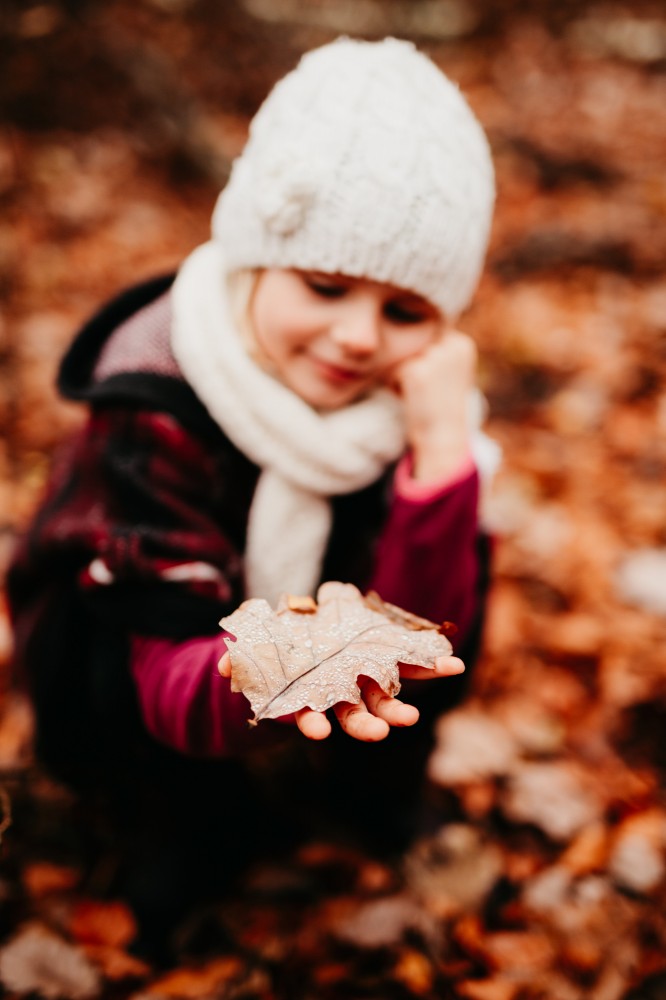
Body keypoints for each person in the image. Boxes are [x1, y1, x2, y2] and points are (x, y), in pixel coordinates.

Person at [7, 36, 499, 957]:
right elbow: (160, 661)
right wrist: (251, 674)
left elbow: (436, 628)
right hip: (160, 660)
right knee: (114, 661)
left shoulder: (415, 409)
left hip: (324, 632)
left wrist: (441, 456)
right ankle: (183, 829)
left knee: (457, 573)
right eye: (325, 285)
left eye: (405, 312)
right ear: (255, 260)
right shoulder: (155, 403)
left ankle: (368, 796)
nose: (358, 338)